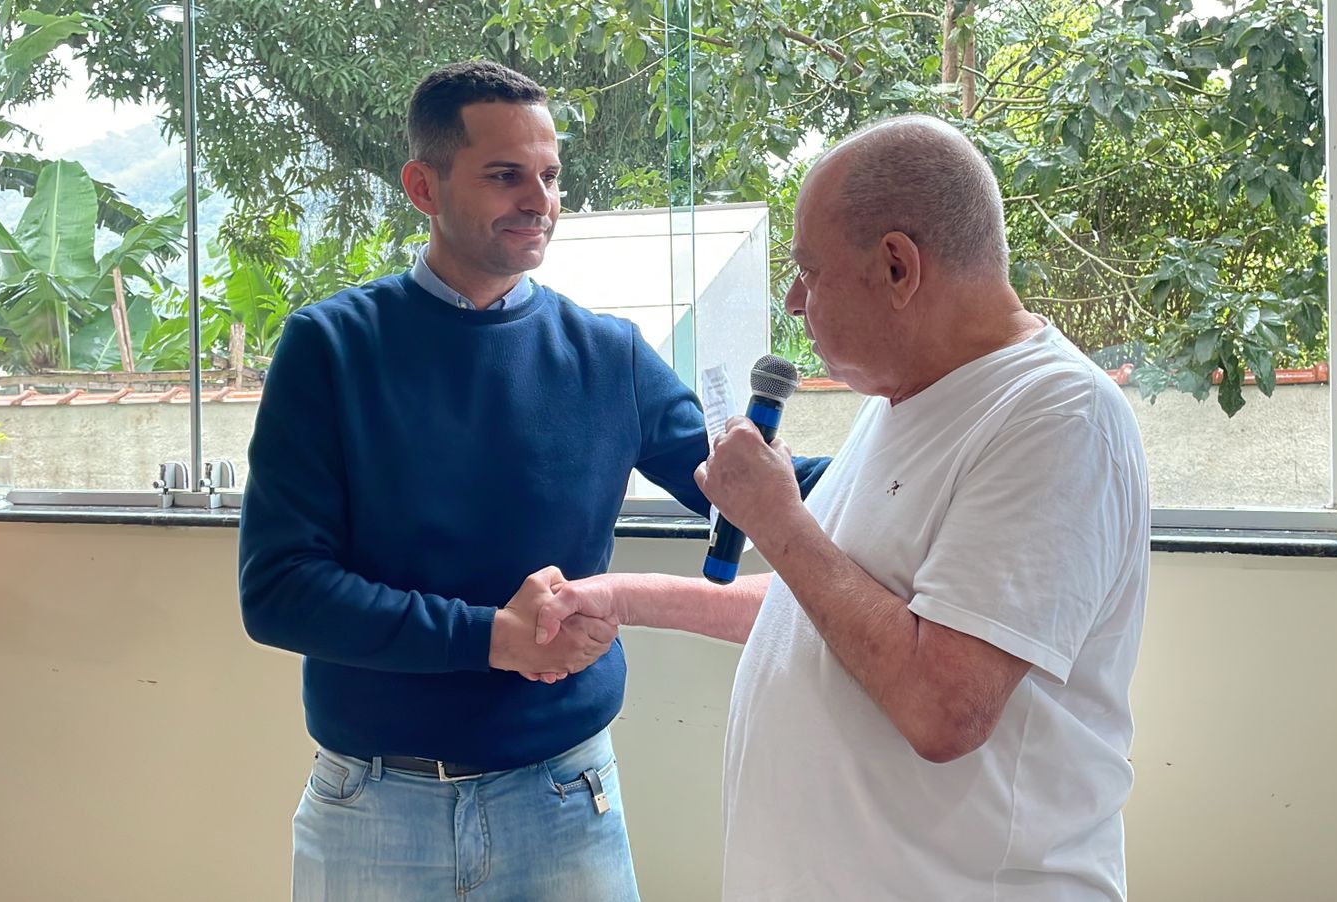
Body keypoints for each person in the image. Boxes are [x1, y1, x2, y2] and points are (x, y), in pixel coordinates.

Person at [237, 60, 826, 901]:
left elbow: (747, 487)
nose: (539, 200)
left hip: (565, 801)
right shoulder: (330, 349)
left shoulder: (609, 355)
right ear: (423, 186)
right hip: (372, 807)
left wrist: (932, 446)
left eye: (549, 176)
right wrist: (492, 637)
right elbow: (280, 593)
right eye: (505, 175)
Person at [539, 114, 1150, 900]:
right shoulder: (903, 398)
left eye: (809, 271)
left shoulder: (1057, 417)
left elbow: (943, 707)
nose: (794, 300)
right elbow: (828, 609)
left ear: (898, 266)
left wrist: (778, 519)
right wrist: (624, 596)